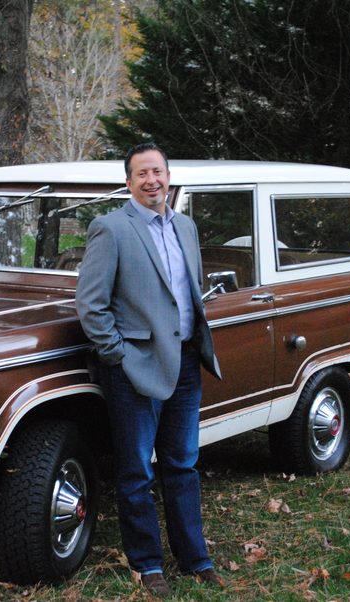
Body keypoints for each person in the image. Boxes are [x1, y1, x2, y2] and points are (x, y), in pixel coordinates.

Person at [76, 143, 224, 597]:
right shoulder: (111, 229)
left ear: (168, 176)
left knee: (183, 465)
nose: (151, 180)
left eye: (157, 172)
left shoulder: (185, 226)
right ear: (129, 181)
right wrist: (117, 354)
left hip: (184, 364)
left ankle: (195, 558)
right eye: (141, 173)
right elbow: (91, 303)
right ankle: (146, 563)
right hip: (134, 369)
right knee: (137, 470)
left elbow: (190, 292)